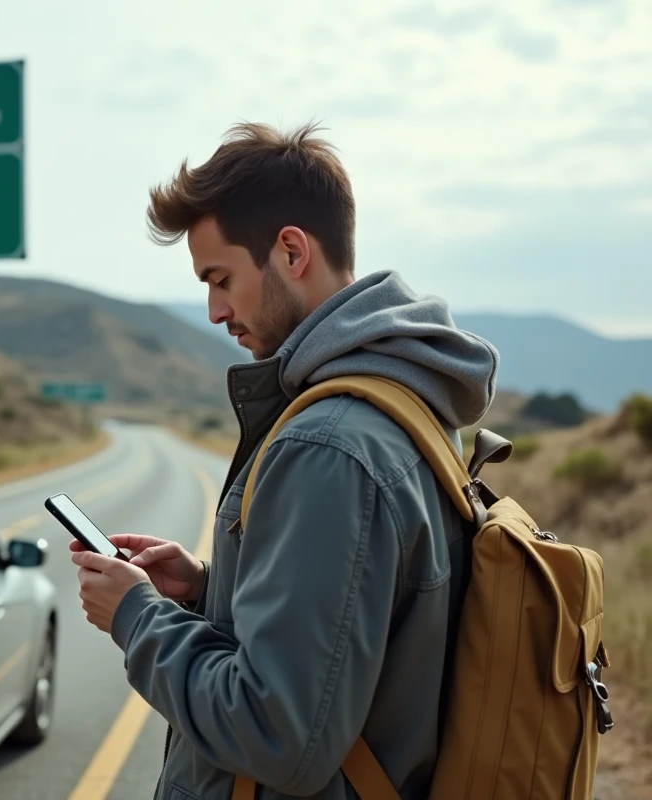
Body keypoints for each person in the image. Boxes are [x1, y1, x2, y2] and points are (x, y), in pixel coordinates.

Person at [70, 121, 500, 799]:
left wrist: (137, 617)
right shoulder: (406, 402)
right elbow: (360, 627)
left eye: (221, 278)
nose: (214, 310)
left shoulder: (328, 445)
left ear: (292, 251)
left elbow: (276, 733)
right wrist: (209, 589)